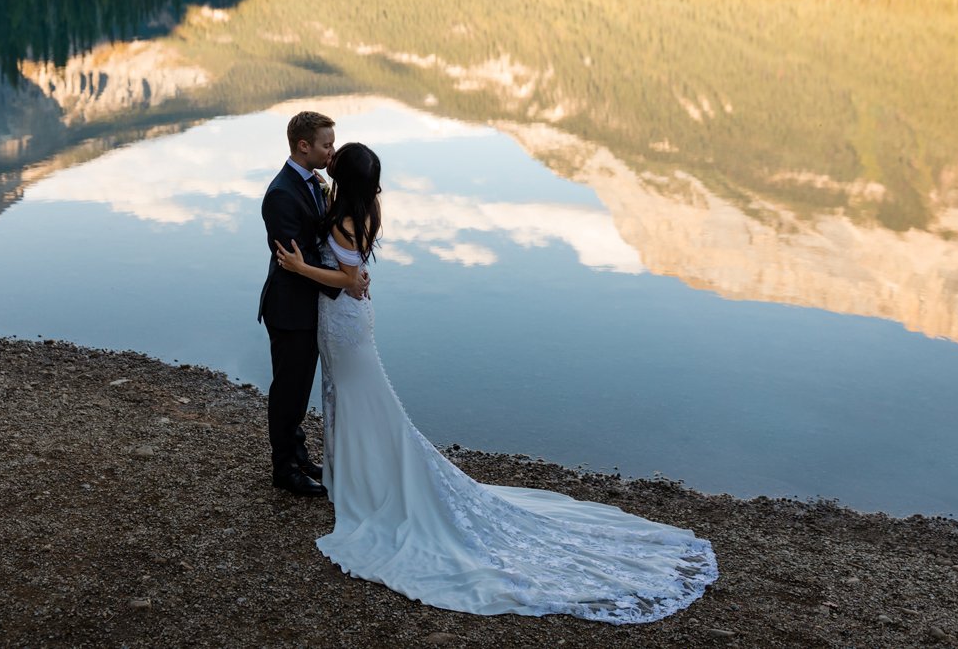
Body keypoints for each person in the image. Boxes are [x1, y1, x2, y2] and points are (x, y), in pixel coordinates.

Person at [274, 142, 718, 622]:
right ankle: (355, 474)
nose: (330, 154)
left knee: (364, 399)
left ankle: (371, 483)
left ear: (345, 176)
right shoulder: (359, 207)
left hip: (346, 324)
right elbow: (356, 274)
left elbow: (348, 277)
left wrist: (301, 267)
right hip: (343, 321)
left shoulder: (347, 219)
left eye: (336, 155)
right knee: (353, 398)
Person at [258, 111, 369, 497]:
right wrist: (348, 279)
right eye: (326, 144)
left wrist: (350, 272)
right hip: (290, 309)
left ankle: (300, 455)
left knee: (300, 388)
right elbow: (297, 259)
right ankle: (284, 469)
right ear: (304, 146)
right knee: (288, 390)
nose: (331, 151)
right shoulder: (280, 194)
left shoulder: (312, 182)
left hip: (312, 306)